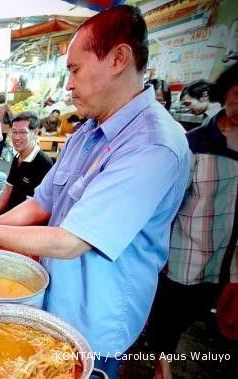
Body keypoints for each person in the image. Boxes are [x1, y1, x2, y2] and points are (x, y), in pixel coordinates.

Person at [0, 6, 190, 378]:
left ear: (118, 59)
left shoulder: (153, 146)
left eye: (74, 70)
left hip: (95, 323)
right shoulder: (86, 133)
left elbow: (72, 241)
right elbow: (40, 203)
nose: (68, 84)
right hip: (51, 300)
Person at [148, 63, 238, 379]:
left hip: (227, 264)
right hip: (185, 257)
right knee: (168, 323)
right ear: (224, 93)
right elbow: (165, 205)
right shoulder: (194, 145)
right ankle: (163, 369)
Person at [0, 112, 53, 217]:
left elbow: (30, 209)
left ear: (35, 132)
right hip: (9, 214)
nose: (16, 137)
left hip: (23, 222)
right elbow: (8, 187)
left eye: (22, 132)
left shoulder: (43, 163)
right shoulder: (18, 156)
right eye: (14, 132)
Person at [0, 94, 12, 159]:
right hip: (5, 127)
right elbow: (12, 114)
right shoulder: (6, 106)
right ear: (4, 100)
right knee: (2, 141)